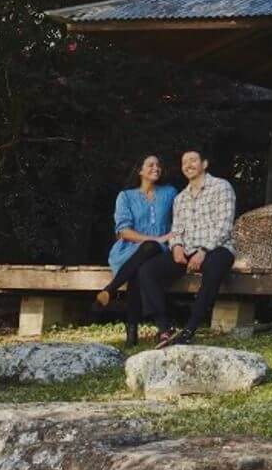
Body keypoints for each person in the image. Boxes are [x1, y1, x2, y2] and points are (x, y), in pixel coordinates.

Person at [135, 147, 237, 347]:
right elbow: (177, 229)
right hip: (188, 250)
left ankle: (190, 329)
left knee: (215, 267)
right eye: (184, 163)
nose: (188, 165)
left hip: (217, 248)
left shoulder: (221, 187)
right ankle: (165, 328)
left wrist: (204, 251)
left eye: (193, 160)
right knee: (147, 270)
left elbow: (224, 225)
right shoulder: (180, 198)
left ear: (204, 164)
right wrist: (176, 247)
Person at [99, 153, 175, 346]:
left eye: (158, 165)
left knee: (149, 249)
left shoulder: (170, 193)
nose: (156, 168)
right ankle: (133, 334)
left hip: (160, 249)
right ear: (140, 170)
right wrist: (155, 238)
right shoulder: (125, 196)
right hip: (128, 249)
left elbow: (181, 219)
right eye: (150, 165)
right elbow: (123, 231)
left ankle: (111, 289)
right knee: (139, 269)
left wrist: (165, 239)